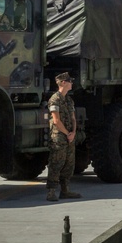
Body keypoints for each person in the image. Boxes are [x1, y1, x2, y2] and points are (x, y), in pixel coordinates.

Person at [46, 72, 81, 202]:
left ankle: (65, 190)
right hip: (59, 136)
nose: (72, 83)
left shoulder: (69, 100)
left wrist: (73, 132)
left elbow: (73, 118)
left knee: (69, 163)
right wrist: (68, 134)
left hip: (69, 136)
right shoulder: (55, 100)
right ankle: (51, 191)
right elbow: (56, 121)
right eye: (69, 81)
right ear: (63, 83)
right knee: (56, 163)